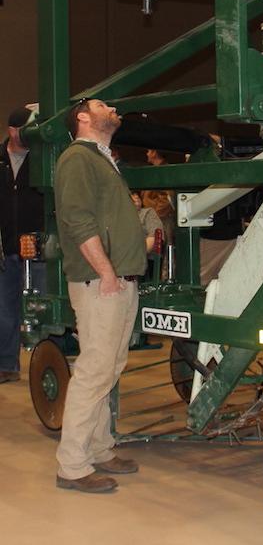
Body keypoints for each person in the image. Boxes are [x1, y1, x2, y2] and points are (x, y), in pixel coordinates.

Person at [54, 98, 146, 494]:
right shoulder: (77, 158)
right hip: (101, 282)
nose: (113, 109)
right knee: (94, 371)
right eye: (102, 105)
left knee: (109, 368)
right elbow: (77, 219)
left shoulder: (103, 158)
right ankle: (72, 467)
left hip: (118, 280)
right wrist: (106, 270)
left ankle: (100, 447)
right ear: (83, 117)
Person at [0, 106, 44, 383]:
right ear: (13, 130)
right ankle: (7, 365)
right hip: (6, 250)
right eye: (26, 128)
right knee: (4, 309)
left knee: (42, 308)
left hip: (38, 248)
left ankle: (47, 364)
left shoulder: (42, 159)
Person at [141, 149, 176, 244]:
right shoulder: (155, 169)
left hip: (163, 218)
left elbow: (167, 198)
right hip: (154, 216)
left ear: (154, 152)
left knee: (163, 249)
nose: (146, 153)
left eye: (148, 151)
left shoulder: (164, 170)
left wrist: (156, 215)